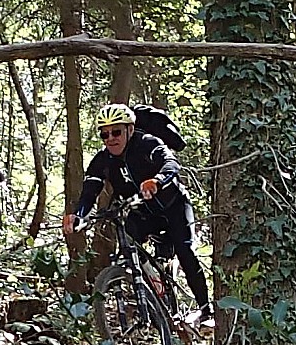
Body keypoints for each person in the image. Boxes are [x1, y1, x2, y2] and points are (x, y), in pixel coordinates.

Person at [62, 103, 212, 318]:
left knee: (185, 251)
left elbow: (170, 163)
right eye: (104, 134)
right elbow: (89, 191)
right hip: (143, 214)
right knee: (128, 247)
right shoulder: (103, 160)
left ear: (130, 130)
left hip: (174, 207)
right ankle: (148, 296)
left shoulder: (147, 143)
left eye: (116, 132)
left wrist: (157, 181)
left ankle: (206, 310)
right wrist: (78, 214)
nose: (111, 138)